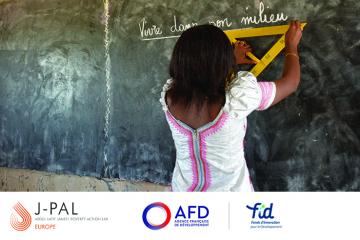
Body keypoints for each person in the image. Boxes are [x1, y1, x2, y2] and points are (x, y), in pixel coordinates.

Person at [159, 21, 303, 191]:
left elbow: (202, 78)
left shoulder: (170, 97)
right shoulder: (237, 99)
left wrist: (230, 61)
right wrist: (291, 46)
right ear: (221, 60)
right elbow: (290, 83)